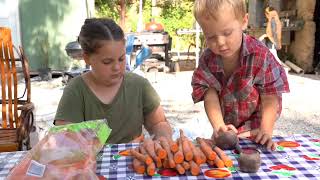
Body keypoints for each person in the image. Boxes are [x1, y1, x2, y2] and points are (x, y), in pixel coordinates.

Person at [54, 18, 172, 144]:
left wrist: (163, 139)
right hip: (89, 162)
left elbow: (158, 122)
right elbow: (63, 139)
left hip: (135, 160)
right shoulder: (76, 90)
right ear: (87, 58)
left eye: (121, 59)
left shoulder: (139, 86)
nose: (117, 67)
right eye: (107, 62)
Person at [192, 0, 289, 150]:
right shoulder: (208, 58)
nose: (221, 42)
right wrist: (219, 127)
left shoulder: (260, 55)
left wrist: (266, 129)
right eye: (211, 37)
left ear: (244, 21)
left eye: (227, 33)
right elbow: (208, 94)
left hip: (257, 128)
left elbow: (271, 95)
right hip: (228, 127)